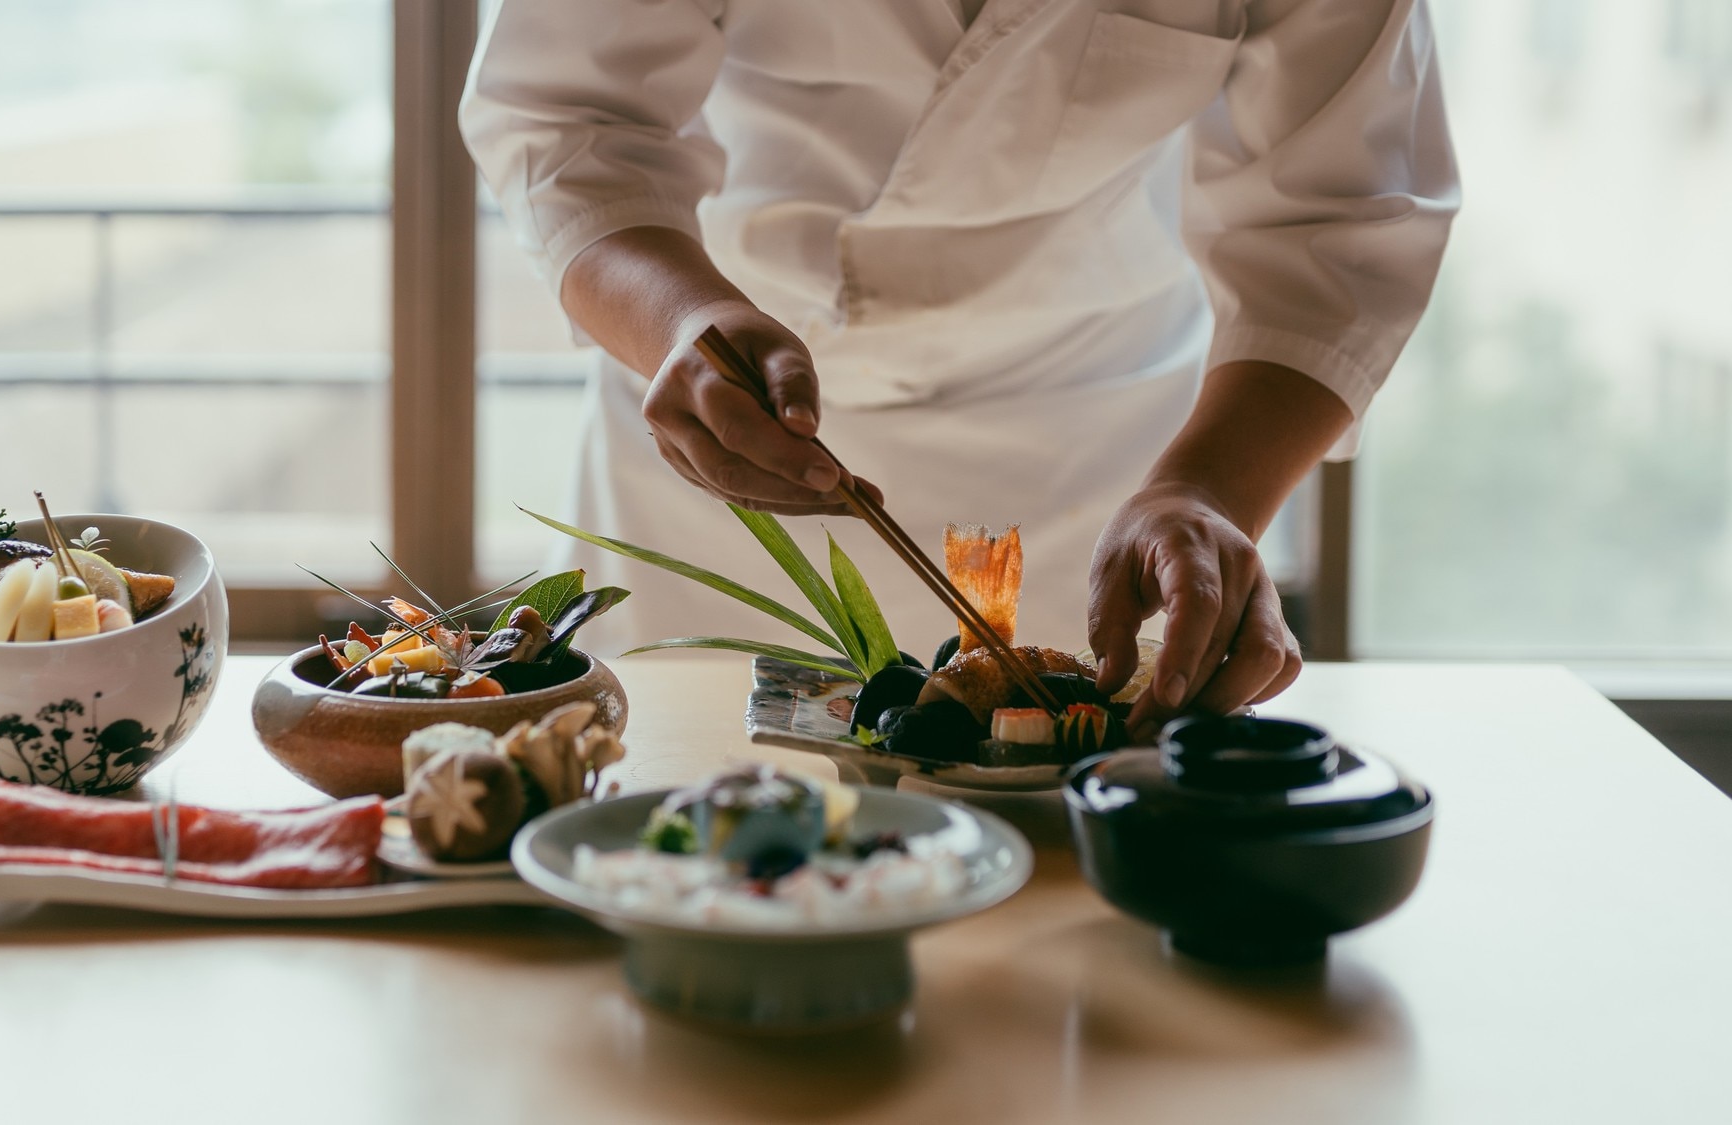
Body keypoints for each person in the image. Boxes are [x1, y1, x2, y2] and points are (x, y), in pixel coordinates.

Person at [462, 0, 1457, 736]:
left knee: (1055, 932)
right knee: (678, 849)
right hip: (714, 399)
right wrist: (682, 320)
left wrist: (1208, 490)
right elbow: (568, 121)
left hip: (1100, 449)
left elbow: (1341, 221)